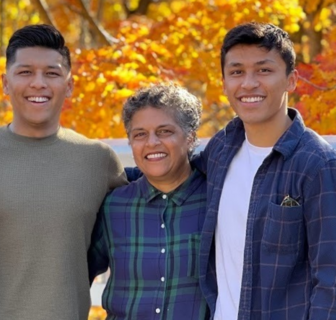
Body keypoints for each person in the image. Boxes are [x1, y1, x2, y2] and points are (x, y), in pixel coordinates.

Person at [0, 24, 127, 320]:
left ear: (69, 85)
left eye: (52, 73)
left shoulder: (99, 162)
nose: (38, 83)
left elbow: (123, 243)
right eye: (25, 72)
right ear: (4, 83)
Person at [198, 22, 336, 319]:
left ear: (292, 81)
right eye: (237, 72)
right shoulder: (220, 150)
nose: (248, 84)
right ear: (223, 83)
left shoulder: (317, 164)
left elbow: (331, 280)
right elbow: (171, 178)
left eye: (264, 70)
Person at [88, 83, 208, 319]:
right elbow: (76, 279)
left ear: (190, 137)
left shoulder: (216, 200)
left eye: (165, 131)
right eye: (140, 134)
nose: (151, 142)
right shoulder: (113, 206)